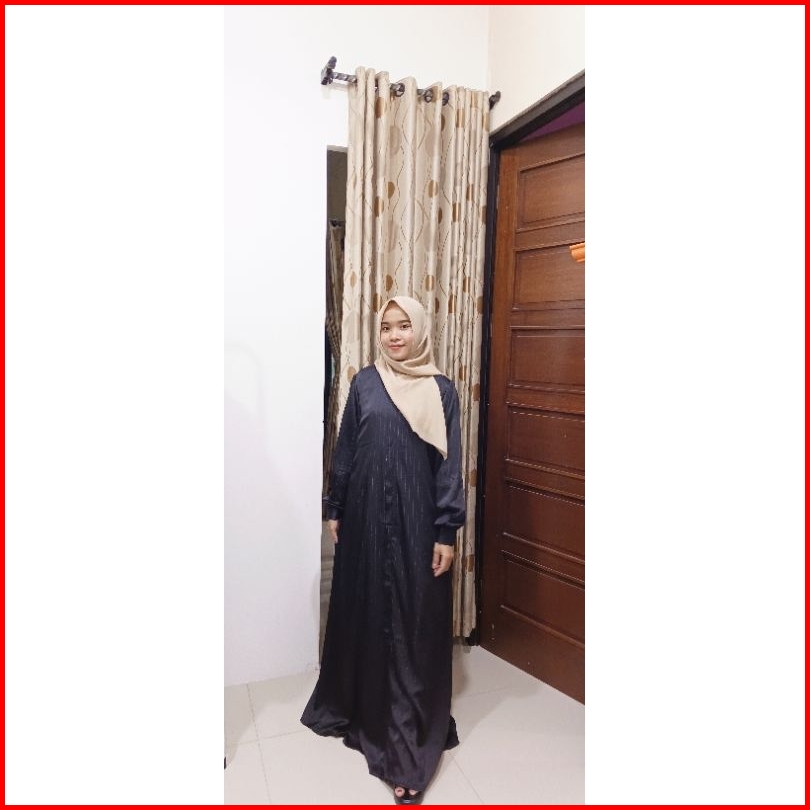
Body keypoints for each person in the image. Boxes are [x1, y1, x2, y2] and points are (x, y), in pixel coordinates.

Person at [301, 295, 466, 805]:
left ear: (420, 331)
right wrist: (335, 506)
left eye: (404, 326)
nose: (394, 335)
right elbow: (346, 448)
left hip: (418, 526)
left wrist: (446, 531)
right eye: (387, 327)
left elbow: (449, 466)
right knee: (370, 615)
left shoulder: (441, 390)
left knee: (412, 624)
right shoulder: (365, 384)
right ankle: (368, 711)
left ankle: (405, 745)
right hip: (366, 522)